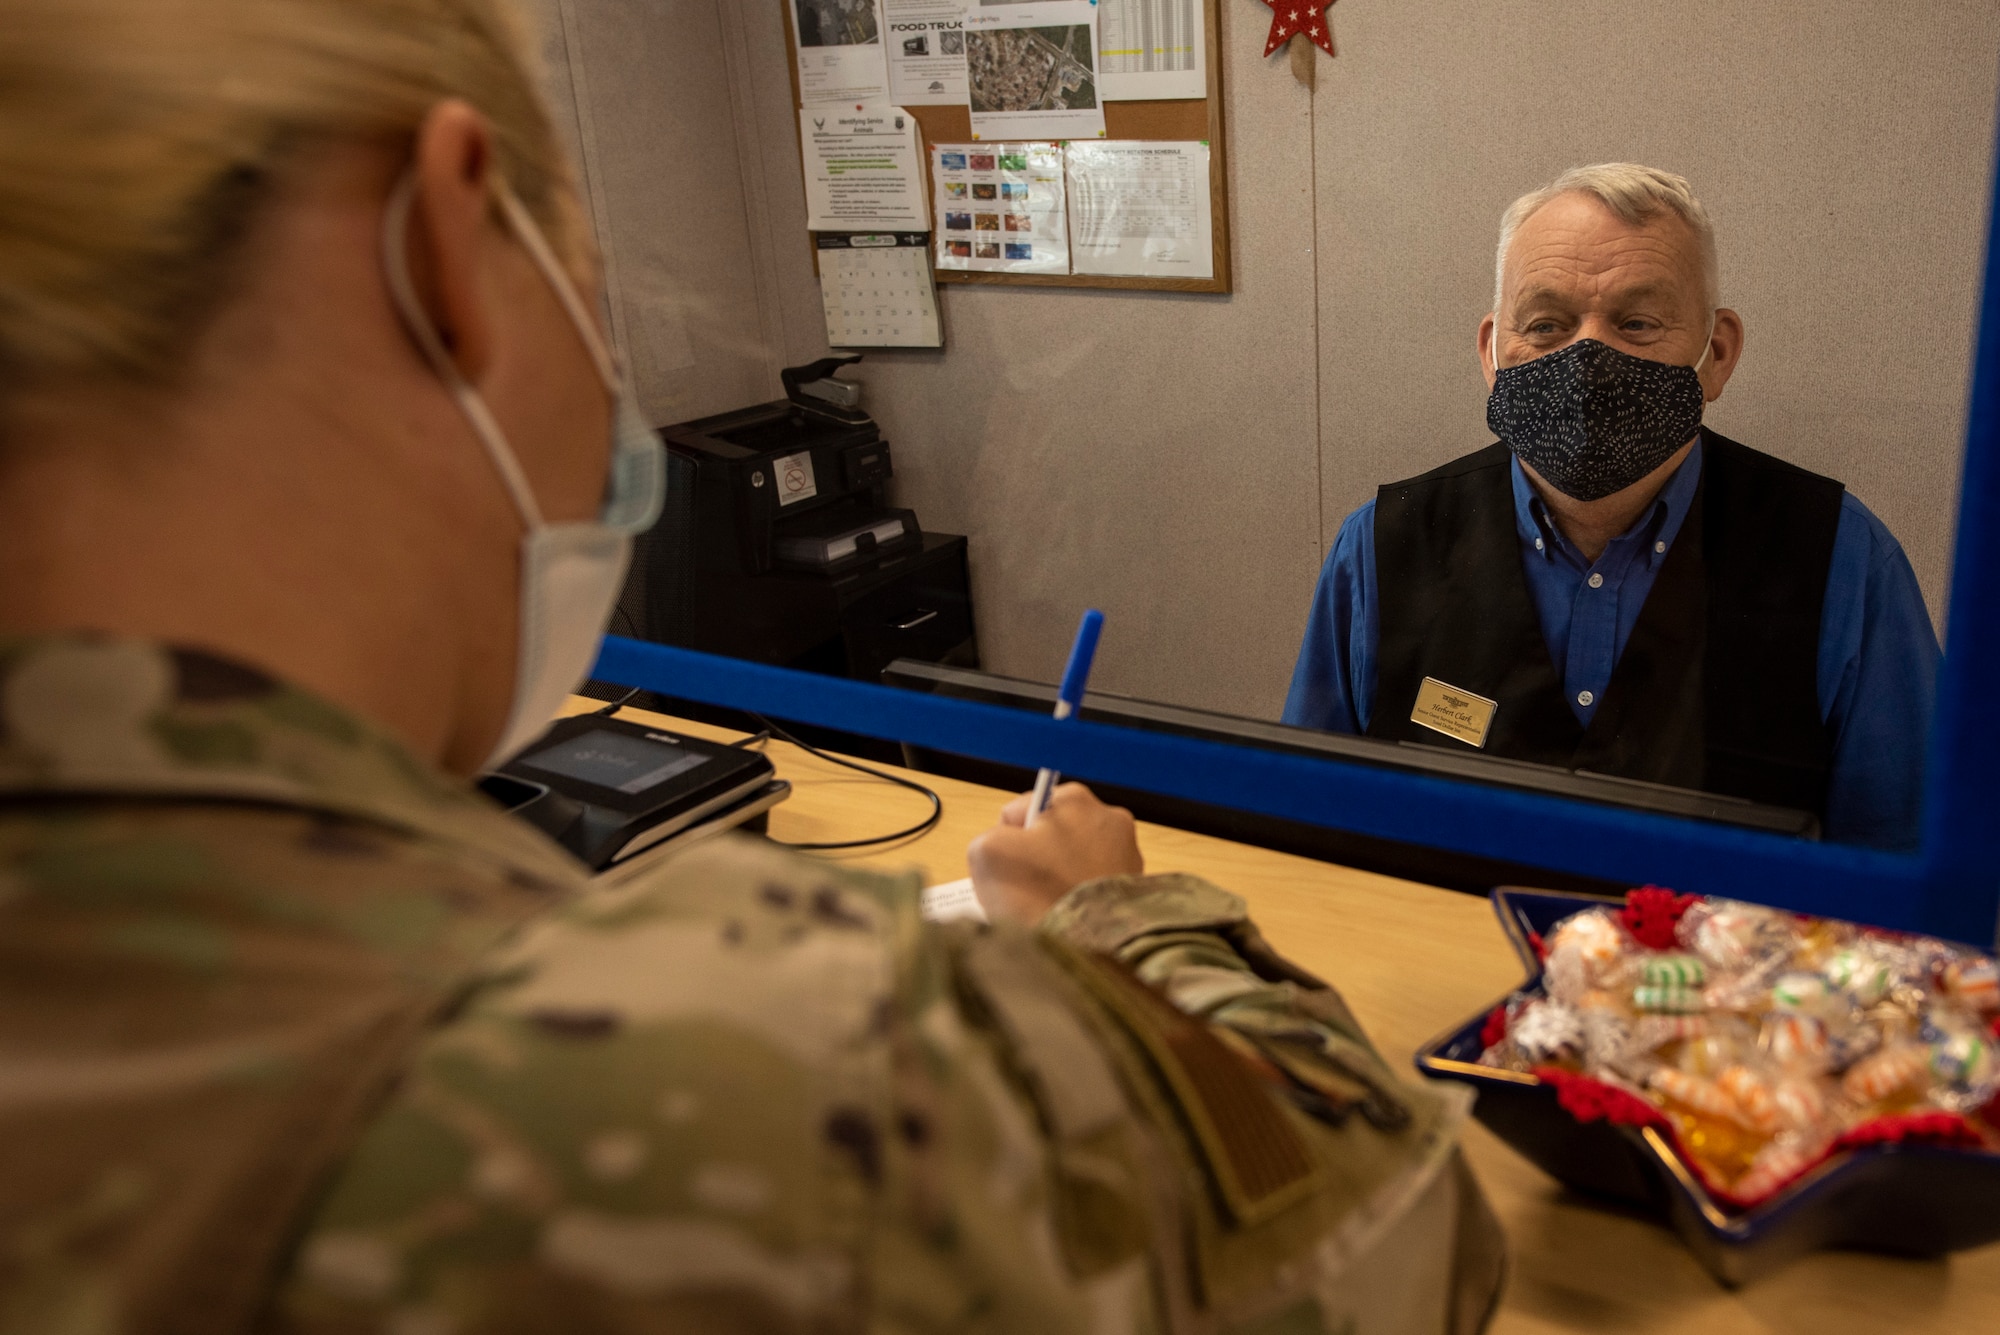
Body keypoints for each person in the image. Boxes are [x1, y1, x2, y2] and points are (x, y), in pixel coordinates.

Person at [0, 2, 1503, 1331]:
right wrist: (1139, 917)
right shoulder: (745, 1062)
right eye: (579, 279)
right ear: (448, 250)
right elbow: (1410, 1234)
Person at [1283, 164, 1940, 851]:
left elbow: (1905, 866)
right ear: (1491, 353)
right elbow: (1305, 827)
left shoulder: (1842, 561)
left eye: (1636, 322)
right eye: (1546, 325)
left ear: (1715, 353)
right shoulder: (1380, 550)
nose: (1588, 356)